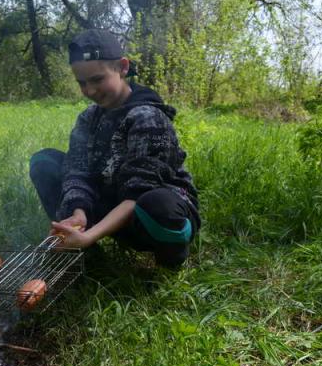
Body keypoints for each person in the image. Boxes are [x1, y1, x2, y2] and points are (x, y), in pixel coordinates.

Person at [29, 29, 201, 269]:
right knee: (44, 162)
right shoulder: (88, 118)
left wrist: (90, 234)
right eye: (81, 82)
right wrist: (79, 212)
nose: (89, 91)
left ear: (122, 67)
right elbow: (77, 171)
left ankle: (171, 256)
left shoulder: (148, 118)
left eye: (97, 79)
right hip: (112, 200)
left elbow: (137, 193)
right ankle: (86, 253)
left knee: (157, 204)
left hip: (147, 214)